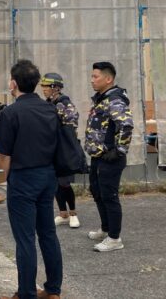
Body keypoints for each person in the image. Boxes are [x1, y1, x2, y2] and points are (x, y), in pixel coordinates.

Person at [0, 60, 62, 299]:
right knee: (48, 233)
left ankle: (26, 293)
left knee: (25, 239)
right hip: (48, 175)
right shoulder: (50, 109)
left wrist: (8, 177)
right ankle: (53, 290)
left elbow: (4, 154)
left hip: (23, 177)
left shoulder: (11, 112)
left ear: (13, 83)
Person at [85, 61, 133, 252]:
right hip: (98, 155)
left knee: (109, 196)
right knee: (97, 192)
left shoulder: (115, 99)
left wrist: (119, 150)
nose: (92, 80)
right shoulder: (101, 98)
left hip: (110, 157)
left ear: (108, 79)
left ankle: (115, 238)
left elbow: (126, 125)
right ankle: (105, 229)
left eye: (95, 77)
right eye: (92, 76)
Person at [40, 73, 81, 229]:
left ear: (54, 87)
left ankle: (73, 214)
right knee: (56, 182)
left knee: (64, 182)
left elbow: (71, 126)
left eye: (45, 86)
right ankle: (62, 213)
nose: (43, 89)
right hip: (51, 148)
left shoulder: (64, 103)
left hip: (63, 149)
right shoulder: (48, 103)